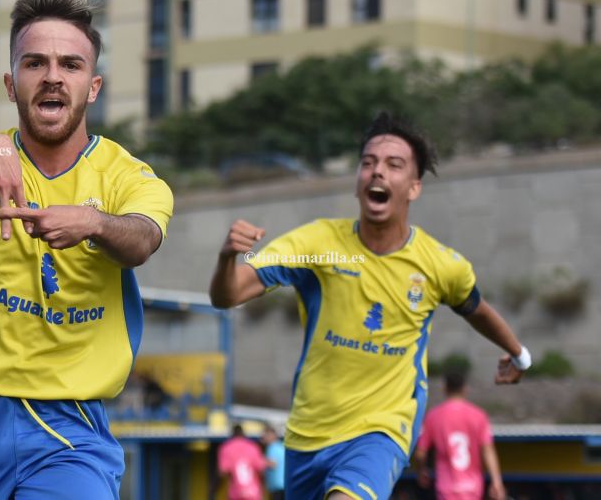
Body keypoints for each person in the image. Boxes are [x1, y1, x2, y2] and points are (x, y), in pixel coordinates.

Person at [0, 0, 173, 500]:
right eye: (35, 63)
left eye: (70, 65)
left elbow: (144, 238)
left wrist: (95, 224)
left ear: (92, 87)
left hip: (67, 422)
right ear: (11, 84)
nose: (53, 76)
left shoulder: (130, 177)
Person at [209, 112, 531, 500]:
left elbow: (476, 309)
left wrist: (518, 353)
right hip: (308, 435)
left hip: (382, 430)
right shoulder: (316, 245)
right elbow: (226, 296)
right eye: (368, 163)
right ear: (358, 182)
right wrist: (229, 258)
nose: (377, 172)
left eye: (393, 165)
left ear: (413, 188)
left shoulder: (441, 265)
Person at [414, 371, 505, 500]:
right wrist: (496, 481)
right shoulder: (479, 415)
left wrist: (421, 470)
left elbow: (420, 453)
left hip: (446, 488)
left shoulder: (433, 416)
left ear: (445, 389)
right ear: (465, 389)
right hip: (472, 487)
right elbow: (488, 450)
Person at [217, 424, 268, 500]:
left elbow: (222, 472)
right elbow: (261, 470)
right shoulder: (253, 447)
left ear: (232, 435)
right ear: (243, 434)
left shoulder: (226, 447)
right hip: (254, 493)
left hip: (236, 494)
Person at [262, 424, 286, 500]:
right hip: (285, 485)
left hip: (278, 487)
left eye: (265, 435)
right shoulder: (282, 446)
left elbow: (272, 464)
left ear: (272, 435)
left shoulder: (272, 447)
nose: (263, 438)